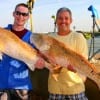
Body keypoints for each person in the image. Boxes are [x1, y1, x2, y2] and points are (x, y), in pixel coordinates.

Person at [0, 3, 45, 100]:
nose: (21, 17)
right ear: (13, 14)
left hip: (22, 87)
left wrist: (40, 63)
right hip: (2, 84)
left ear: (28, 17)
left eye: (24, 14)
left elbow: (40, 57)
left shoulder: (33, 38)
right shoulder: (3, 33)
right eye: (18, 13)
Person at [48, 7, 88, 100]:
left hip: (75, 89)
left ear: (71, 20)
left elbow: (84, 61)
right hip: (55, 89)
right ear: (56, 20)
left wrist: (76, 68)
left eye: (66, 18)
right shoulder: (50, 38)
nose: (63, 21)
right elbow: (47, 59)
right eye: (60, 18)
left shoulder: (78, 37)